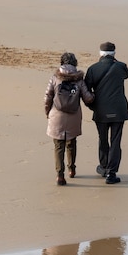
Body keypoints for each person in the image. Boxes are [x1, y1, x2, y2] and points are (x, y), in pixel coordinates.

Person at [44, 52, 94, 186]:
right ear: (75, 63)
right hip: (73, 116)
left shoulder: (55, 77)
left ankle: (60, 175)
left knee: (58, 146)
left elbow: (48, 97)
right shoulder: (79, 79)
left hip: (57, 115)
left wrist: (47, 112)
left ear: (62, 63)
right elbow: (88, 98)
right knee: (71, 144)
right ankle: (72, 169)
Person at [84, 41, 128, 184]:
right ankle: (112, 173)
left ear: (100, 54)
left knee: (103, 140)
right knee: (115, 141)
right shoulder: (120, 66)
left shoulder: (93, 69)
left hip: (101, 111)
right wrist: (115, 61)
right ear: (114, 54)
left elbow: (86, 91)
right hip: (118, 110)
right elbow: (127, 74)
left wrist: (92, 107)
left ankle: (104, 168)